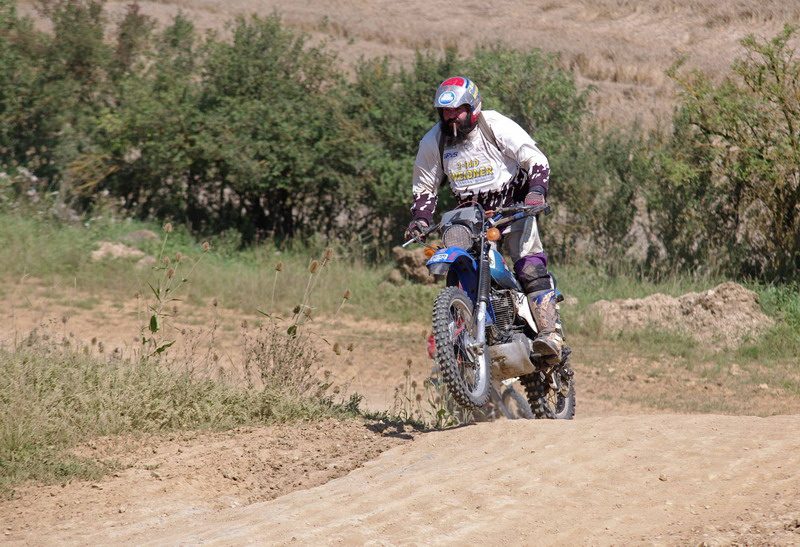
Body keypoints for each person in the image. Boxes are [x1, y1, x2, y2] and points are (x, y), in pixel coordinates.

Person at [404, 76, 563, 361]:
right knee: (463, 269)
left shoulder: (495, 125)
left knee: (529, 267)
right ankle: (462, 345)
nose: (451, 117)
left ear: (473, 108)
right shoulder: (434, 141)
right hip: (470, 218)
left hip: (515, 208)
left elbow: (534, 158)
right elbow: (424, 186)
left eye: (457, 110)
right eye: (445, 111)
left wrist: (536, 191)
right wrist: (420, 219)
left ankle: (550, 334)